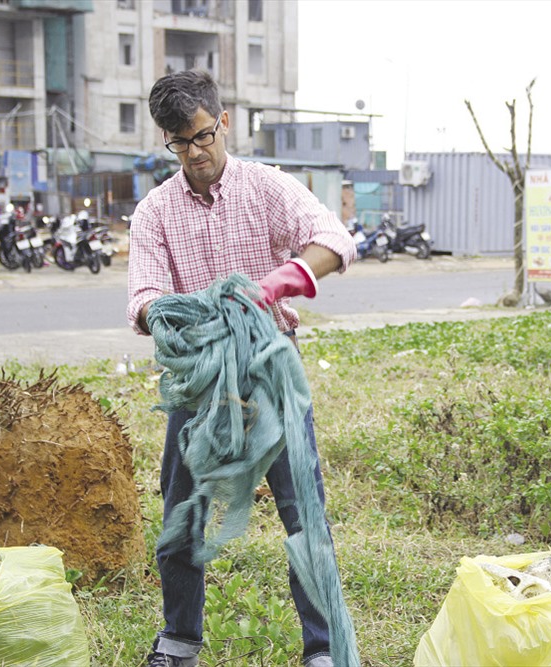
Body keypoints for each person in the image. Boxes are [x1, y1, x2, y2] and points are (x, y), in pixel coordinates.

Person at [126, 69, 357, 667]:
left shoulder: (267, 188)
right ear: (166, 141)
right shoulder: (154, 212)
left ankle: (324, 650)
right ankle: (179, 642)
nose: (195, 154)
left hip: (271, 369)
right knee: (181, 505)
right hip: (200, 381)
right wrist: (189, 317)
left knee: (301, 508)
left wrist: (267, 289)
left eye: (203, 137)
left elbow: (334, 240)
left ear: (222, 122)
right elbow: (144, 298)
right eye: (179, 144)